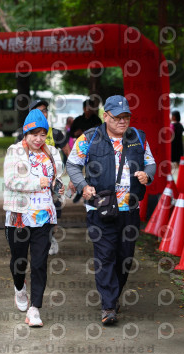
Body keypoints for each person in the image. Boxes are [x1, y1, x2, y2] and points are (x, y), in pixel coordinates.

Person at [66, 95, 156, 325]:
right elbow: (73, 164)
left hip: (130, 209)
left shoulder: (138, 137)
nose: (122, 121)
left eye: (126, 117)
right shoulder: (90, 138)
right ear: (106, 116)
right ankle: (108, 306)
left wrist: (147, 175)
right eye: (117, 117)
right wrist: (83, 185)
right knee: (105, 256)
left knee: (124, 258)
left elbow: (150, 162)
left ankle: (113, 296)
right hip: (100, 208)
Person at [4, 109, 64, 327]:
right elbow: (10, 180)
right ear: (26, 133)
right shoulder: (14, 151)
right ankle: (20, 288)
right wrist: (37, 183)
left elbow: (56, 177)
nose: (38, 139)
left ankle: (35, 309)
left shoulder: (52, 152)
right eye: (34, 134)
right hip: (19, 216)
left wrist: (58, 186)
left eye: (42, 135)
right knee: (19, 261)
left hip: (44, 217)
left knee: (39, 263)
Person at [16, 99, 67, 255]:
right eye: (38, 110)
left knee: (52, 214)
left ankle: (49, 238)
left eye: (45, 110)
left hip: (50, 184)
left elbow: (69, 153)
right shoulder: (23, 135)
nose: (43, 113)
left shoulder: (55, 133)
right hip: (31, 184)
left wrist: (63, 177)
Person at [68, 99, 103, 203]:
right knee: (76, 170)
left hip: (94, 149)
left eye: (91, 108)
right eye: (87, 108)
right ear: (84, 109)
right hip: (80, 149)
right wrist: (76, 133)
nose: (89, 110)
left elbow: (101, 133)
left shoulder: (96, 120)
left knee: (91, 171)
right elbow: (71, 134)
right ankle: (78, 190)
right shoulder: (78, 120)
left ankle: (87, 192)